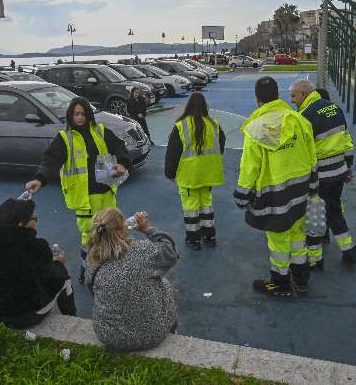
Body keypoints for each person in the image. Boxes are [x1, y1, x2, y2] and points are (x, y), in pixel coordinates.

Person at [25, 97, 131, 283]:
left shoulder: (101, 131)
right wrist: (39, 179)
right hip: (85, 197)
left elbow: (120, 146)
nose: (79, 117)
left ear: (88, 114)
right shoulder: (64, 138)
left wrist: (122, 163)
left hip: (106, 191)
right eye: (76, 114)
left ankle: (109, 270)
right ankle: (87, 272)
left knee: (111, 231)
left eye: (82, 113)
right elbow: (51, 162)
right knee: (89, 237)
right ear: (70, 115)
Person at [234, 77, 318, 297]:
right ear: (278, 95)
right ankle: (301, 279)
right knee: (298, 234)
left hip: (275, 194)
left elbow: (249, 166)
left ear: (258, 99)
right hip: (301, 190)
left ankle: (280, 284)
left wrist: (242, 194)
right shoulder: (298, 120)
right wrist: (313, 184)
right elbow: (311, 156)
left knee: (279, 239)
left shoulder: (256, 128)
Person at [85, 208, 178, 351]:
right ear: (123, 227)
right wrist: (148, 229)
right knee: (163, 284)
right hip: (150, 335)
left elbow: (92, 290)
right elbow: (170, 252)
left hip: (109, 335)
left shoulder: (91, 258)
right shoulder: (142, 251)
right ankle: (171, 329)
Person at [290, 80, 356, 268]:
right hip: (339, 172)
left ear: (304, 94)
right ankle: (349, 250)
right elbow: (347, 141)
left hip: (320, 176)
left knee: (314, 216)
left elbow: (302, 152)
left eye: (294, 96)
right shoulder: (334, 108)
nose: (292, 100)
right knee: (334, 210)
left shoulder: (304, 116)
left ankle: (315, 259)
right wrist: (348, 166)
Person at [0, 198, 76, 329]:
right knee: (62, 274)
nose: (36, 222)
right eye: (34, 218)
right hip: (22, 317)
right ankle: (71, 319)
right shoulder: (36, 246)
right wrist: (59, 263)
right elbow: (47, 273)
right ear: (20, 224)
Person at [165, 92, 225, 250]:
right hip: (209, 173)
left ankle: (193, 239)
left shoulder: (181, 126)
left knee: (191, 207)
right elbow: (221, 145)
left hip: (189, 175)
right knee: (206, 203)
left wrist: (170, 173)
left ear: (188, 106)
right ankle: (209, 235)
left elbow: (173, 153)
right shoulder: (214, 124)